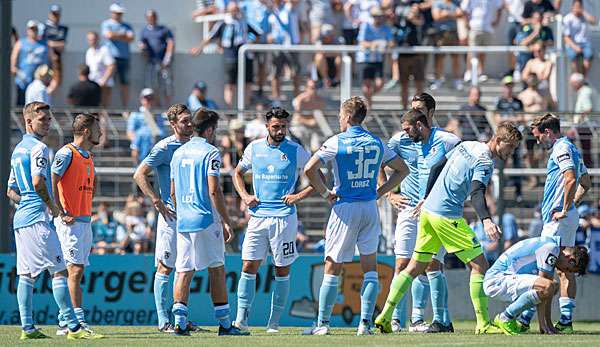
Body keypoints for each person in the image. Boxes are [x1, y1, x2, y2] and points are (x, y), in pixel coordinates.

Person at [375, 122, 523, 335]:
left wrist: (425, 198)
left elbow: (436, 167)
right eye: (510, 147)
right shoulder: (485, 161)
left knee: (414, 267)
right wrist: (487, 220)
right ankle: (483, 323)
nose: (511, 152)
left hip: (428, 213)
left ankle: (385, 315)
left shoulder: (467, 145)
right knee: (480, 265)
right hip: (446, 215)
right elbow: (477, 191)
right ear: (498, 140)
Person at [302, 96, 409, 335]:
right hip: (369, 208)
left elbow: (309, 168)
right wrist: (380, 192)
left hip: (345, 207)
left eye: (340, 116)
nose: (339, 119)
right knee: (370, 267)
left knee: (332, 266)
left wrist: (324, 193)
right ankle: (365, 325)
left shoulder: (337, 142)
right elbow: (403, 169)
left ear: (348, 117)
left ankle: (322, 324)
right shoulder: (376, 142)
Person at [7, 102, 100, 340]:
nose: (48, 123)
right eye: (43, 119)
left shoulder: (18, 150)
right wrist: (53, 208)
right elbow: (39, 183)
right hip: (38, 217)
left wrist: (26, 202)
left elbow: (11, 191)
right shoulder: (39, 148)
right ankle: (74, 327)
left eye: (49, 119)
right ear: (29, 122)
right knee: (59, 271)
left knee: (26, 275)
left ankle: (27, 328)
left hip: (22, 219)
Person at [232, 107, 313, 333]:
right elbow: (237, 173)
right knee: (248, 265)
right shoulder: (254, 148)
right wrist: (245, 196)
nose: (280, 131)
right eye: (275, 127)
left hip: (284, 219)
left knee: (282, 269)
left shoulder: (296, 150)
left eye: (283, 127)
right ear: (267, 126)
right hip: (257, 218)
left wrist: (298, 196)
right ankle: (241, 320)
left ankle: (274, 323)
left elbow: (317, 177)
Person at [170, 108, 249, 336]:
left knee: (183, 270)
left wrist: (183, 211)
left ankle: (179, 323)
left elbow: (173, 192)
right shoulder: (211, 152)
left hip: (184, 220)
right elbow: (214, 190)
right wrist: (226, 220)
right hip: (205, 218)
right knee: (216, 268)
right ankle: (225, 324)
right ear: (211, 129)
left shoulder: (179, 153)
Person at [385, 107, 461, 333]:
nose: (406, 132)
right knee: (402, 263)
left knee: (430, 265)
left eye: (418, 107)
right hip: (408, 209)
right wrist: (390, 193)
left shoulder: (448, 141)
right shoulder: (400, 140)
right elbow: (380, 162)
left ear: (427, 115)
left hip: (435, 211)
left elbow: (463, 167)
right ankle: (395, 318)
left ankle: (423, 318)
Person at [133, 104, 193, 332]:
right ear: (173, 124)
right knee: (165, 266)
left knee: (185, 268)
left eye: (190, 120)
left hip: (192, 215)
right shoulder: (164, 147)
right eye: (184, 121)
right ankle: (162, 320)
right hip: (171, 215)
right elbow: (139, 174)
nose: (189, 124)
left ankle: (181, 318)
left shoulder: (197, 146)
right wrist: (156, 200)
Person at [528, 114, 590, 333]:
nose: (538, 142)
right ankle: (565, 321)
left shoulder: (561, 149)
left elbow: (571, 179)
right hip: (566, 218)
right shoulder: (572, 149)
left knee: (544, 270)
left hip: (558, 220)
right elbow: (586, 183)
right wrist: (572, 206)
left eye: (538, 137)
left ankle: (529, 320)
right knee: (566, 268)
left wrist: (564, 209)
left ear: (547, 132)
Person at [51, 114, 102, 333]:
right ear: (86, 131)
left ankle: (66, 320)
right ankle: (75, 322)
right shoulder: (66, 153)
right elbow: (51, 179)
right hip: (69, 222)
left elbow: (93, 181)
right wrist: (60, 212)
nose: (101, 132)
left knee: (77, 270)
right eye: (98, 128)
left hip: (84, 220)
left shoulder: (88, 156)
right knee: (73, 270)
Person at [484, 237, 589, 335]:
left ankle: (520, 320)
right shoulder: (551, 248)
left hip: (500, 279)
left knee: (553, 286)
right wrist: (545, 324)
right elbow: (545, 286)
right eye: (568, 269)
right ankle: (506, 317)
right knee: (548, 286)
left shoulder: (552, 244)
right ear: (570, 259)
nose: (564, 271)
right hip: (497, 279)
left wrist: (546, 324)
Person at [190, 1, 260, 108]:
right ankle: (230, 111)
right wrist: (199, 48)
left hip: (246, 57)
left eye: (237, 10)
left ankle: (246, 108)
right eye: (233, 10)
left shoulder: (244, 23)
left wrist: (250, 44)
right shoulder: (224, 23)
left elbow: (257, 34)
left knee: (247, 83)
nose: (235, 13)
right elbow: (210, 36)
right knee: (230, 84)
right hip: (230, 58)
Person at [384, 0, 426, 109]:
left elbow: (421, 22)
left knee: (419, 83)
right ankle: (404, 108)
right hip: (401, 50)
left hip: (415, 50)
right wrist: (391, 18)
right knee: (404, 84)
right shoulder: (395, 5)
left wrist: (413, 17)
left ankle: (419, 109)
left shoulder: (416, 3)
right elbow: (390, 22)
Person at [356, 6, 394, 106]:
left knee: (379, 84)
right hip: (365, 59)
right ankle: (368, 105)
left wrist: (384, 44)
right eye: (377, 16)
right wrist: (375, 44)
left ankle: (367, 101)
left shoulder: (386, 28)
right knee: (366, 86)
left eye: (381, 16)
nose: (379, 18)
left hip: (378, 59)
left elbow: (391, 43)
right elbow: (362, 43)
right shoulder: (366, 26)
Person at [101, 3, 135, 107]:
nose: (119, 15)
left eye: (120, 13)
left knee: (124, 84)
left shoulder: (127, 25)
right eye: (117, 13)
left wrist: (116, 35)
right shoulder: (106, 24)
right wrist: (123, 35)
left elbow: (131, 38)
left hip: (124, 58)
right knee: (108, 84)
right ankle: (105, 109)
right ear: (112, 13)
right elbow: (109, 35)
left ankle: (125, 108)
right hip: (110, 59)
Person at [461, 0, 503, 82]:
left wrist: (497, 20)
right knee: (472, 51)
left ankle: (480, 72)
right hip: (474, 27)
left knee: (483, 52)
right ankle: (469, 71)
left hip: (487, 29)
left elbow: (500, 7)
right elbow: (464, 8)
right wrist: (466, 22)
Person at [267, 0, 302, 100]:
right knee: (276, 72)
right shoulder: (270, 11)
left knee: (295, 72)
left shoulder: (289, 6)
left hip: (291, 45)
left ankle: (297, 98)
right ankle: (276, 99)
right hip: (277, 46)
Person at [139, 9, 175, 106]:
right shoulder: (144, 31)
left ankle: (169, 108)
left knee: (167, 86)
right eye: (150, 17)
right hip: (152, 63)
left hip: (164, 63)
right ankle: (158, 108)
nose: (152, 19)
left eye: (153, 16)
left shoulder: (164, 29)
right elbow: (142, 45)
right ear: (147, 18)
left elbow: (171, 43)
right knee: (154, 87)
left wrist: (167, 58)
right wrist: (143, 49)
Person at [11, 20, 49, 106]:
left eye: (35, 29)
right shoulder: (21, 43)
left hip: (39, 82)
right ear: (27, 30)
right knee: (22, 106)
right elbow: (13, 62)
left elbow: (53, 62)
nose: (33, 32)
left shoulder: (44, 44)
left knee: (39, 106)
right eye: (31, 29)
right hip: (23, 81)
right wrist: (18, 73)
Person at [430, 0, 464, 91]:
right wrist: (452, 15)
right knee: (439, 58)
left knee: (455, 58)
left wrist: (446, 14)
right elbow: (436, 16)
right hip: (441, 34)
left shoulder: (456, 3)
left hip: (453, 33)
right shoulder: (438, 3)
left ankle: (457, 80)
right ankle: (438, 80)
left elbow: (460, 14)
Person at [127, 88, 166, 163]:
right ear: (141, 99)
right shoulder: (135, 114)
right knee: (142, 136)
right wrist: (137, 142)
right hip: (141, 144)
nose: (149, 101)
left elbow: (161, 131)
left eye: (151, 98)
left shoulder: (158, 114)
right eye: (147, 98)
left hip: (154, 144)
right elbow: (130, 132)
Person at [563, 0, 597, 76]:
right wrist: (575, 47)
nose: (578, 8)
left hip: (585, 43)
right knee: (573, 56)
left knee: (588, 55)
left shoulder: (584, 16)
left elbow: (594, 21)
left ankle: (583, 78)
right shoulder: (568, 19)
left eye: (579, 6)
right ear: (572, 7)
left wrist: (584, 12)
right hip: (572, 44)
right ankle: (576, 76)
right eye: (576, 6)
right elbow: (566, 37)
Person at [291, 79, 326, 152]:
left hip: (314, 129)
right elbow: (297, 118)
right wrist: (310, 122)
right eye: (312, 87)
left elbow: (320, 118)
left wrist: (313, 122)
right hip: (301, 127)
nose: (314, 90)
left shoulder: (320, 102)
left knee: (316, 148)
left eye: (316, 87)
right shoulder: (300, 100)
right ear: (306, 88)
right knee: (299, 137)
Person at [85, 31, 116, 107]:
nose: (92, 41)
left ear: (98, 39)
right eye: (90, 40)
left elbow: (111, 66)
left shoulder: (104, 50)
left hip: (104, 84)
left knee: (103, 106)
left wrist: (103, 81)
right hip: (92, 84)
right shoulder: (89, 52)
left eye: (94, 39)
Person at [570, 72, 594, 166]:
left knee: (586, 152)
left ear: (577, 83)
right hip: (583, 126)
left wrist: (577, 123)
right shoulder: (585, 91)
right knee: (585, 151)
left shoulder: (585, 92)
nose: (571, 86)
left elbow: (588, 108)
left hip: (584, 126)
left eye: (572, 83)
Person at [41, 5, 68, 88]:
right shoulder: (43, 27)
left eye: (57, 14)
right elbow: (42, 42)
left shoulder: (63, 28)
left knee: (56, 80)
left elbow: (62, 44)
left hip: (56, 59)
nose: (55, 16)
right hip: (45, 58)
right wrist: (52, 45)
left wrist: (51, 43)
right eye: (53, 14)